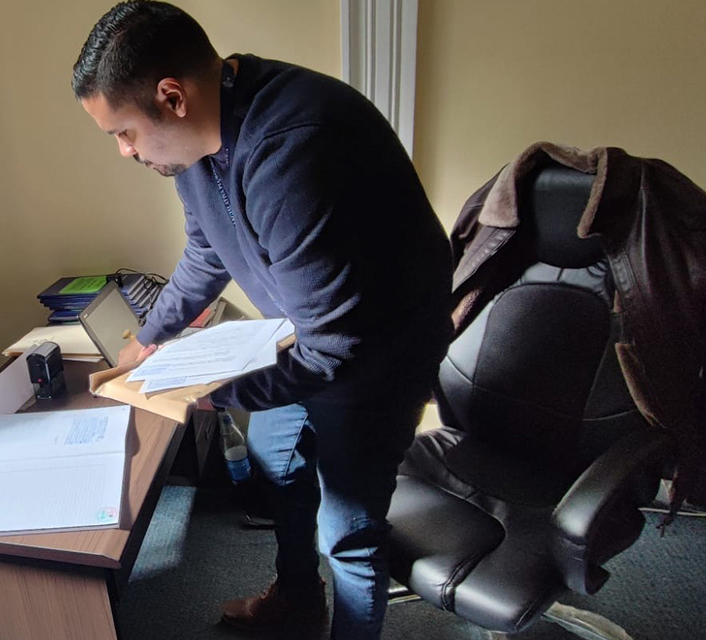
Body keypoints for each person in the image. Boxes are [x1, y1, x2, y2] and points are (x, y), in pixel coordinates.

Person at [73, 3, 452, 639]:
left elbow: (335, 353)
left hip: (376, 357)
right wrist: (148, 339)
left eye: (125, 132)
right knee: (278, 462)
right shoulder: (195, 143)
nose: (123, 151)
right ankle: (298, 598)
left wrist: (206, 391)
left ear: (172, 96)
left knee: (349, 534)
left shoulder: (295, 147)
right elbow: (206, 250)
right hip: (306, 333)